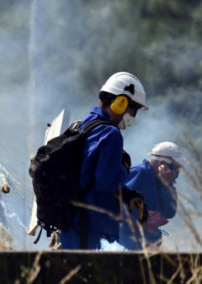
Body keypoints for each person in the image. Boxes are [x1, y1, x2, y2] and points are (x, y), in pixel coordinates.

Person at [59, 71, 148, 250]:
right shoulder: (111, 133)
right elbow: (105, 185)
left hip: (74, 223)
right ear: (121, 103)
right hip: (90, 226)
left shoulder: (85, 124)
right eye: (134, 109)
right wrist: (123, 169)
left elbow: (90, 176)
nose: (133, 115)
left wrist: (127, 194)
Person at [119, 142, 188, 250]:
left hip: (147, 241)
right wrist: (144, 214)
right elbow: (121, 207)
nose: (176, 172)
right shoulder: (140, 173)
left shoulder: (163, 180)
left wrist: (167, 186)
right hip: (128, 240)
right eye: (175, 167)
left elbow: (169, 212)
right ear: (162, 163)